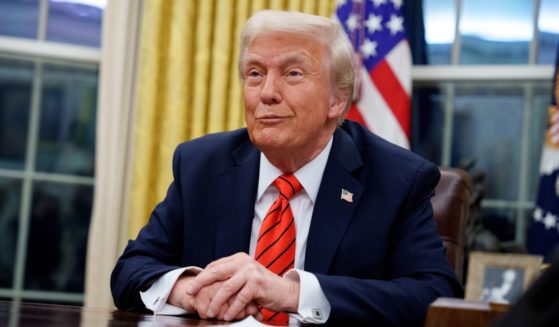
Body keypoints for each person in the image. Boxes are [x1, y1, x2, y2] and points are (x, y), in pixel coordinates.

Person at [111, 10, 462, 326]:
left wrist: (290, 293)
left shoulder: (396, 179)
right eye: (254, 73)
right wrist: (189, 290)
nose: (267, 93)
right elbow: (130, 269)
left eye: (292, 73)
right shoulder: (202, 165)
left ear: (337, 100)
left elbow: (436, 297)